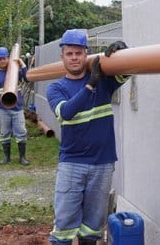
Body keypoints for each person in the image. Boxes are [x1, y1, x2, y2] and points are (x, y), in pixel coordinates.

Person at [46, 29, 129, 245]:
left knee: (92, 228)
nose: (74, 58)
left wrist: (122, 53)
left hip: (102, 163)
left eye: (78, 53)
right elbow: (66, 112)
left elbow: (127, 72)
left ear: (86, 54)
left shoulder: (104, 80)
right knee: (64, 226)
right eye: (69, 53)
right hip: (72, 164)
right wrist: (90, 84)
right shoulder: (56, 88)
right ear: (62, 56)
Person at [0, 46, 31, 166]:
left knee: (21, 132)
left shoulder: (15, 71)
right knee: (4, 133)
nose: (2, 61)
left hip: (17, 108)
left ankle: (22, 157)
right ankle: (7, 157)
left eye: (4, 58)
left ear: (8, 58)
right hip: (2, 109)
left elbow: (27, 79)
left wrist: (22, 65)